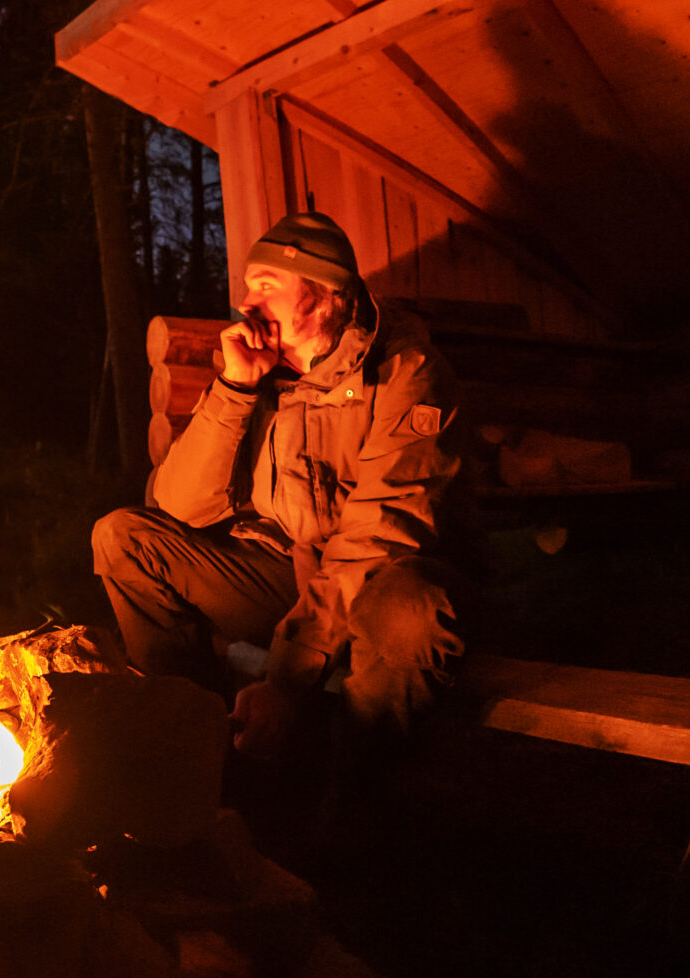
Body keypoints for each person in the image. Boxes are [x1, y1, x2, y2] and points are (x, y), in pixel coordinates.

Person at [92, 211, 472, 763]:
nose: (247, 304)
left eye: (267, 287)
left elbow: (378, 537)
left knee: (410, 613)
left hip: (376, 581)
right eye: (248, 286)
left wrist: (287, 681)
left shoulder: (404, 374)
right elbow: (176, 505)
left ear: (323, 298)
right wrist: (234, 388)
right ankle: (191, 747)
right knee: (124, 538)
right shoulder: (260, 373)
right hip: (281, 574)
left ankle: (357, 799)